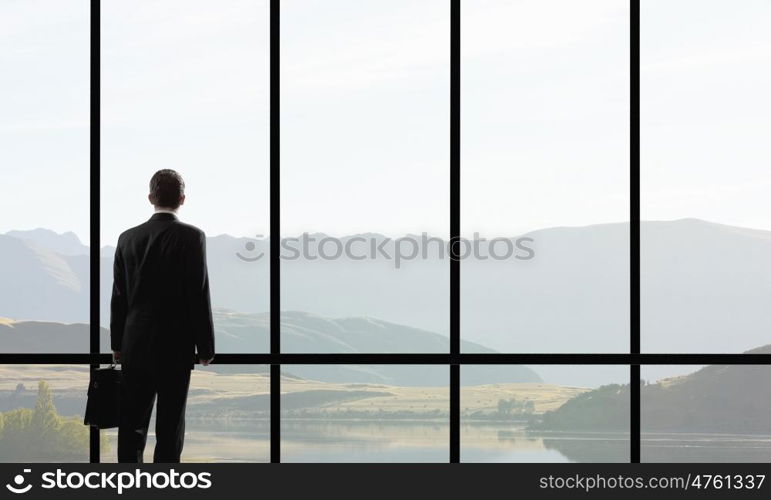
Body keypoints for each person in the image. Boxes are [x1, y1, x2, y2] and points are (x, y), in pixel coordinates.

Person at [111, 169, 215, 463]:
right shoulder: (192, 237)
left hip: (135, 345)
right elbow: (198, 293)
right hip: (176, 346)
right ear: (182, 199)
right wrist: (205, 347)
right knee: (170, 427)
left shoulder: (127, 238)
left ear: (150, 198)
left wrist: (117, 344)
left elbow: (119, 296)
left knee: (131, 425)